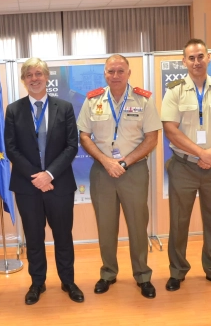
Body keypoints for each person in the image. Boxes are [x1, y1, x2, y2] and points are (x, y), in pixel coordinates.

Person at [77, 54, 162, 299]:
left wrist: (124, 162)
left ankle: (143, 275)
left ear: (128, 72)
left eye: (120, 71)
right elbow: (84, 135)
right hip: (102, 171)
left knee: (137, 224)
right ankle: (108, 273)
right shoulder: (93, 100)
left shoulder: (143, 100)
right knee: (106, 226)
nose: (115, 76)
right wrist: (106, 161)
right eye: (111, 71)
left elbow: (152, 138)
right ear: (104, 73)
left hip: (133, 170)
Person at [160, 38, 211, 292]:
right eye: (191, 58)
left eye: (200, 56)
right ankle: (177, 271)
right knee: (179, 222)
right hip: (183, 166)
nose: (196, 62)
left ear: (209, 58)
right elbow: (170, 130)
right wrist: (200, 153)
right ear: (183, 62)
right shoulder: (174, 91)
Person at [4, 58, 83, 305]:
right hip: (27, 186)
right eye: (29, 75)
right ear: (24, 80)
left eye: (38, 73)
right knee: (34, 237)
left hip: (58, 184)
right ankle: (37, 283)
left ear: (47, 77)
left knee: (63, 235)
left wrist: (49, 175)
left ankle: (68, 281)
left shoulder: (65, 107)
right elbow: (11, 149)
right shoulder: (14, 110)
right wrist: (37, 177)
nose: (34, 78)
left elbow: (72, 146)